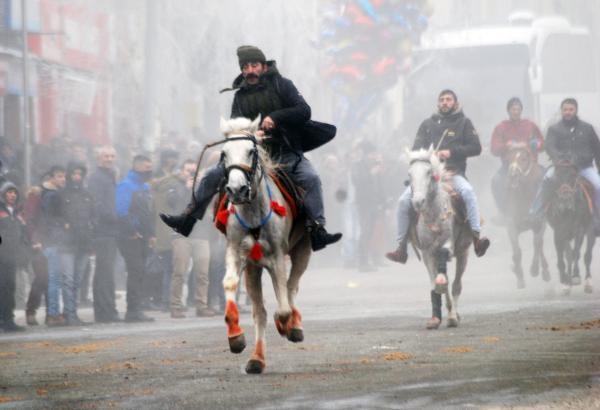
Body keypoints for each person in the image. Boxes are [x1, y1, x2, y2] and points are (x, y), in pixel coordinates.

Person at [160, 45, 342, 251]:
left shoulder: (283, 85)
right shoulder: (239, 97)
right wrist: (250, 134)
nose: (249, 70)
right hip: (253, 154)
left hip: (286, 152)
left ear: (264, 66)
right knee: (212, 174)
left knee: (312, 179)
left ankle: (317, 229)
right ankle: (188, 218)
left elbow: (304, 111)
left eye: (254, 65)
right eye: (245, 67)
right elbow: (236, 125)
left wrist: (275, 118)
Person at [386, 89, 490, 263]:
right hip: (429, 176)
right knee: (403, 202)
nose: (444, 102)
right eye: (441, 99)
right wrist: (428, 156)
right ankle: (401, 248)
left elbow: (476, 147)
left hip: (453, 173)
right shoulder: (427, 124)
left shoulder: (464, 123)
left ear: (455, 103)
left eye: (448, 99)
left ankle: (477, 238)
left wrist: (451, 152)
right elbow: (417, 148)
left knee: (468, 192)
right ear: (437, 103)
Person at [530, 98, 600, 234]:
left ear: (576, 110)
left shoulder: (587, 128)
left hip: (584, 168)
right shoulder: (554, 129)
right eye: (565, 109)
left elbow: (596, 149)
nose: (568, 112)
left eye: (571, 109)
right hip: (560, 168)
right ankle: (535, 213)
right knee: (546, 180)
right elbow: (550, 146)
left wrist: (595, 166)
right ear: (561, 111)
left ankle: (597, 219)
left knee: (598, 185)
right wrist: (561, 158)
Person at [168, 159, 214, 318]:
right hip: (182, 235)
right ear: (182, 172)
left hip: (201, 235)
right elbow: (172, 203)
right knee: (179, 272)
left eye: (194, 172)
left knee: (203, 274)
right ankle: (176, 306)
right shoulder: (175, 186)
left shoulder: (204, 187)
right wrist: (186, 189)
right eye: (188, 171)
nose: (191, 175)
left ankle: (201, 305)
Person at [116, 154, 156, 322]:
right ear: (137, 166)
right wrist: (132, 231)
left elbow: (148, 213)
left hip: (143, 236)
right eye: (146, 167)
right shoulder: (126, 185)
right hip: (129, 236)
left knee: (140, 272)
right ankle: (132, 310)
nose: (149, 170)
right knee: (135, 271)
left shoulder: (145, 187)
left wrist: (151, 234)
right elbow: (121, 211)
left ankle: (137, 308)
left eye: (150, 167)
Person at [490, 97, 544, 216]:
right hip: (509, 166)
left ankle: (543, 211)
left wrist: (529, 144)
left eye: (518, 109)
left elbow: (542, 144)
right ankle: (503, 212)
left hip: (530, 166)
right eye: (513, 109)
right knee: (496, 181)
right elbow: (494, 148)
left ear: (521, 110)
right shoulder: (501, 127)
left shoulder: (530, 125)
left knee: (546, 179)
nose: (516, 111)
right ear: (508, 111)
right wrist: (506, 145)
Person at [88, 146, 122, 323]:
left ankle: (108, 310)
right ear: (98, 158)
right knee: (104, 273)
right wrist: (116, 217)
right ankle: (104, 312)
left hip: (110, 230)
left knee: (107, 273)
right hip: (103, 231)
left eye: (112, 156)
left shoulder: (110, 176)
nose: (109, 159)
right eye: (106, 156)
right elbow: (98, 205)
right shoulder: (96, 178)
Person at [60, 161, 95, 325]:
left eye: (80, 174)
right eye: (74, 173)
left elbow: (94, 217)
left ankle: (72, 312)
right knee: (68, 279)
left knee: (77, 280)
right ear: (69, 174)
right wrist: (62, 226)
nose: (77, 177)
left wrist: (91, 234)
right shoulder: (61, 195)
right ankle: (69, 314)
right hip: (66, 243)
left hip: (84, 242)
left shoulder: (88, 195)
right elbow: (53, 216)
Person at [39, 165, 68, 326]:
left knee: (56, 279)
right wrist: (63, 224)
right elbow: (49, 219)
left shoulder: (50, 193)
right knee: (55, 279)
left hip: (53, 240)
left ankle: (54, 313)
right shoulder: (51, 196)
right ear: (51, 178)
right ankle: (53, 314)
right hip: (53, 241)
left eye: (64, 176)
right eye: (59, 176)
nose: (62, 179)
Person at [0, 181, 27, 331]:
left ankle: (8, 319)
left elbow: (23, 234)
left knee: (10, 288)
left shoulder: (17, 213)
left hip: (12, 256)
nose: (12, 195)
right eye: (9, 192)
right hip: (1, 255)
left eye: (14, 192)